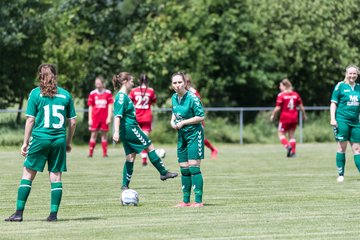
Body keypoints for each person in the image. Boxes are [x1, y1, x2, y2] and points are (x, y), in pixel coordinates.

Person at [5, 64, 76, 222]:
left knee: (28, 175)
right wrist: (68, 142)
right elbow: (72, 123)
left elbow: (30, 119)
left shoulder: (36, 93)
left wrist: (25, 143)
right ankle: (53, 215)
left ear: (40, 76)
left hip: (39, 138)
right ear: (55, 76)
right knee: (56, 176)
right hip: (58, 140)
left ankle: (18, 213)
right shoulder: (66, 95)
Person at [112, 72, 178, 191]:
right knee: (149, 146)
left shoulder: (124, 96)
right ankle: (163, 172)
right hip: (129, 128)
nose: (133, 83)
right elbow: (117, 115)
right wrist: (116, 132)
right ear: (125, 82)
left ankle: (125, 185)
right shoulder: (121, 97)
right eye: (131, 81)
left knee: (130, 157)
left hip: (128, 128)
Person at [170, 72, 205, 207]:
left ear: (185, 83)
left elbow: (200, 116)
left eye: (180, 82)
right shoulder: (174, 97)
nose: (177, 85)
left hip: (194, 134)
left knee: (193, 167)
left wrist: (184, 123)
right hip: (182, 136)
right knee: (184, 168)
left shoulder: (192, 98)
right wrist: (172, 121)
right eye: (175, 83)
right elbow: (174, 113)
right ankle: (185, 201)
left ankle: (198, 201)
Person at [330, 65, 360, 182]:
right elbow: (333, 103)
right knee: (342, 148)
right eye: (350, 73)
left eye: (354, 74)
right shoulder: (340, 86)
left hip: (356, 123)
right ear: (346, 74)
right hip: (342, 121)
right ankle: (341, 175)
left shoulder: (359, 88)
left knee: (357, 149)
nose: (352, 76)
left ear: (357, 75)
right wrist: (333, 118)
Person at [270, 78, 306, 158]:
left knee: (280, 134)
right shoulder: (295, 94)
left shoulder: (281, 95)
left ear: (285, 86)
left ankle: (287, 146)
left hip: (285, 117)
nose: (280, 87)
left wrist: (273, 115)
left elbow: (278, 108)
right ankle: (293, 153)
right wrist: (304, 115)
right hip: (294, 117)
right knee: (291, 135)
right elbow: (301, 106)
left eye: (280, 86)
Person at [185, 74, 218, 159]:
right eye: (185, 82)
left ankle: (213, 150)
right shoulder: (181, 93)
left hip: (196, 118)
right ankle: (188, 155)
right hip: (187, 119)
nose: (186, 83)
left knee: (201, 138)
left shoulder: (193, 92)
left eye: (188, 82)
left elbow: (198, 105)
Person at [129, 74, 157, 166]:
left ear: (139, 81)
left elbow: (129, 102)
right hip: (146, 117)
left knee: (135, 139)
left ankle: (131, 159)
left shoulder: (133, 91)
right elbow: (153, 101)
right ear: (147, 81)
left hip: (136, 117)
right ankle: (144, 159)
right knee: (145, 139)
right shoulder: (151, 91)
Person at [87, 76, 113, 158]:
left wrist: (109, 117)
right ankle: (90, 153)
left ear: (102, 83)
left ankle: (105, 154)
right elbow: (90, 107)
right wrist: (90, 119)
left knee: (104, 135)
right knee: (93, 135)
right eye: (96, 83)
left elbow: (110, 105)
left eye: (99, 83)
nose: (97, 84)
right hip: (95, 118)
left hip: (104, 118)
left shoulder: (108, 93)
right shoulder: (92, 93)